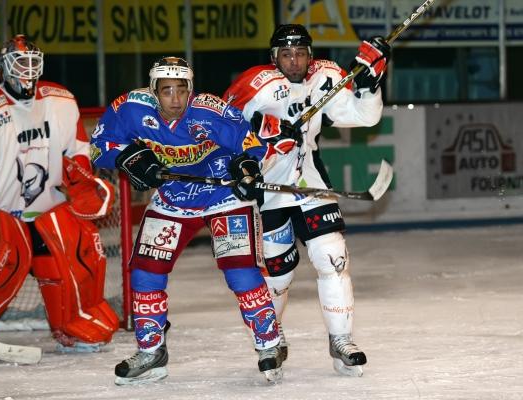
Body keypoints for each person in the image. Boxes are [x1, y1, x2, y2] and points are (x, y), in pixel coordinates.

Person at [91, 56, 284, 385]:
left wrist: (246, 168)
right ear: (154, 91)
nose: (175, 99)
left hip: (221, 195)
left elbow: (250, 144)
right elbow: (99, 146)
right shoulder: (129, 108)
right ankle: (151, 351)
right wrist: (128, 157)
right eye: (167, 91)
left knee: (239, 270)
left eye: (182, 90)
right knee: (145, 271)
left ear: (191, 89)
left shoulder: (210, 110)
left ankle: (270, 344)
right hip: (172, 198)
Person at [223, 24, 391, 377]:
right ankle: (272, 337)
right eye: (286, 54)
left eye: (300, 53)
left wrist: (369, 84)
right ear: (274, 58)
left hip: (310, 184)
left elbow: (366, 116)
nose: (294, 60)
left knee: (333, 258)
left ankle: (342, 339)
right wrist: (260, 148)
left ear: (310, 54)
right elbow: (222, 129)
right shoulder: (256, 85)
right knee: (278, 275)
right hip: (268, 192)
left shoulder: (326, 76)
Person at [0, 34, 119, 361]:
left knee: (81, 254)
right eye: (19, 62)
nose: (27, 69)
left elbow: (77, 154)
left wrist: (83, 184)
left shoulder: (61, 101)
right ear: (2, 69)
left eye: (32, 62)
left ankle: (72, 324)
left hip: (47, 215)